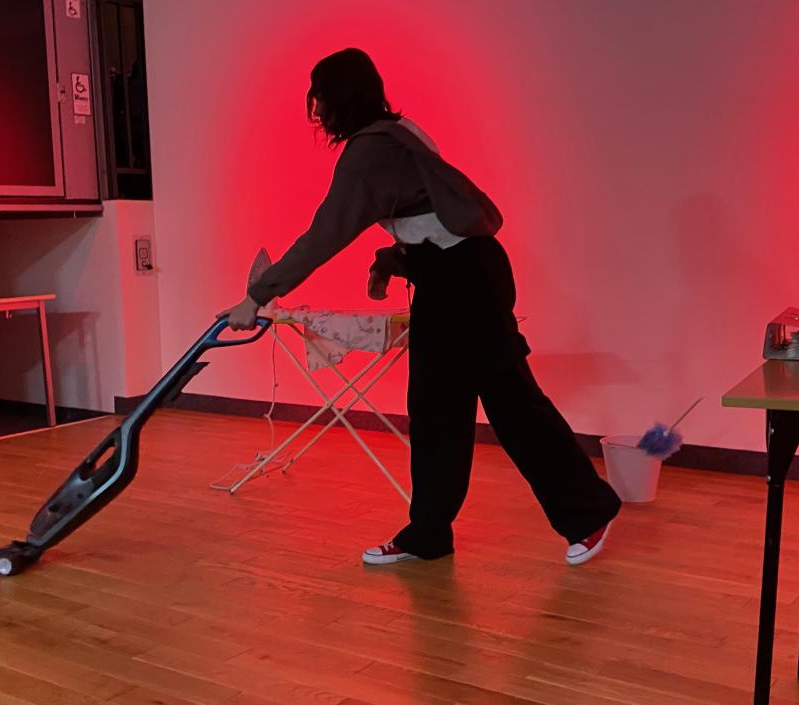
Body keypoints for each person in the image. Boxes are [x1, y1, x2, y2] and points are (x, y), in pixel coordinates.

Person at [220, 48, 621, 566]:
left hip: (465, 280)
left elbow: (326, 233)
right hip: (454, 275)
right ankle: (429, 532)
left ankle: (588, 513)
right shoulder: (395, 133)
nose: (316, 109)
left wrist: (258, 294)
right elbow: (424, 215)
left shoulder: (371, 150)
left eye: (320, 96)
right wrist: (391, 261)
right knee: (435, 409)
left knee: (512, 403)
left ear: (341, 97)